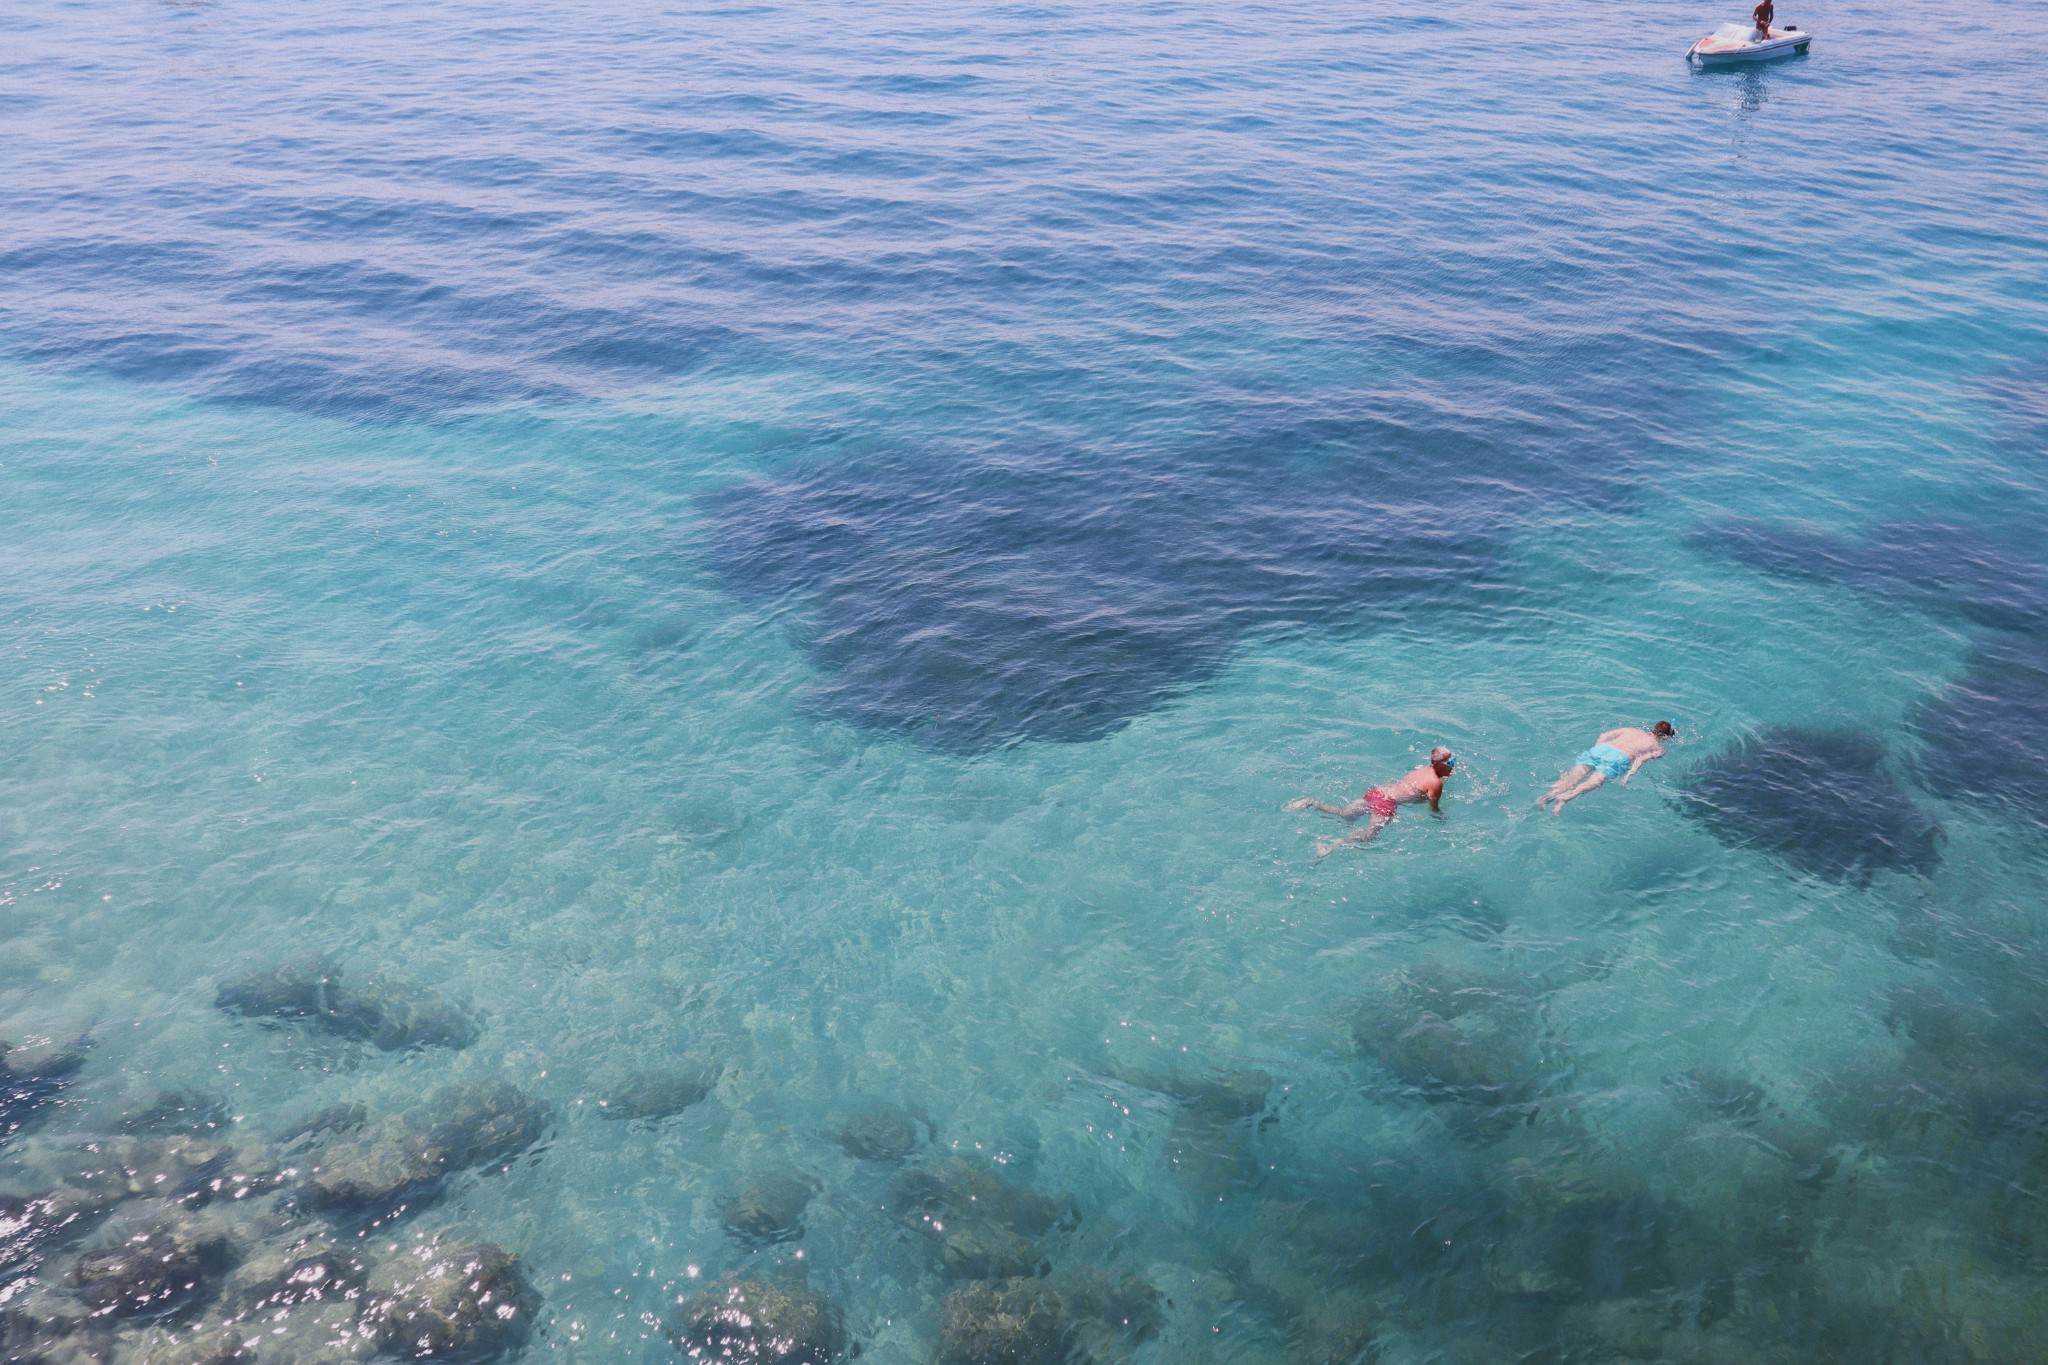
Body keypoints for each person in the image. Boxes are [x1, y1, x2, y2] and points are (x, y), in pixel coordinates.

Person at [1287, 748, 1457, 856]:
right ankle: (1331, 845)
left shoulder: (1421, 770)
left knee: (1346, 815)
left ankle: (1311, 803)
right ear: (1440, 764)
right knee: (1369, 835)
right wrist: (1440, 818)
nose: (1454, 765)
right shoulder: (1436, 784)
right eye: (1451, 762)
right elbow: (1433, 807)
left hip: (1379, 792)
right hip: (1388, 802)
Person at [1538, 721, 1675, 814]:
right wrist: (1628, 776)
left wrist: (1598, 749)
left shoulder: (1632, 730)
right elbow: (1639, 761)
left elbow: (1604, 735)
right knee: (1594, 782)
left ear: (1654, 728)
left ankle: (1547, 796)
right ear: (1666, 737)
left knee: (1572, 778)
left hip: (1602, 749)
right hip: (1619, 758)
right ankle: (1565, 798)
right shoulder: (1658, 748)